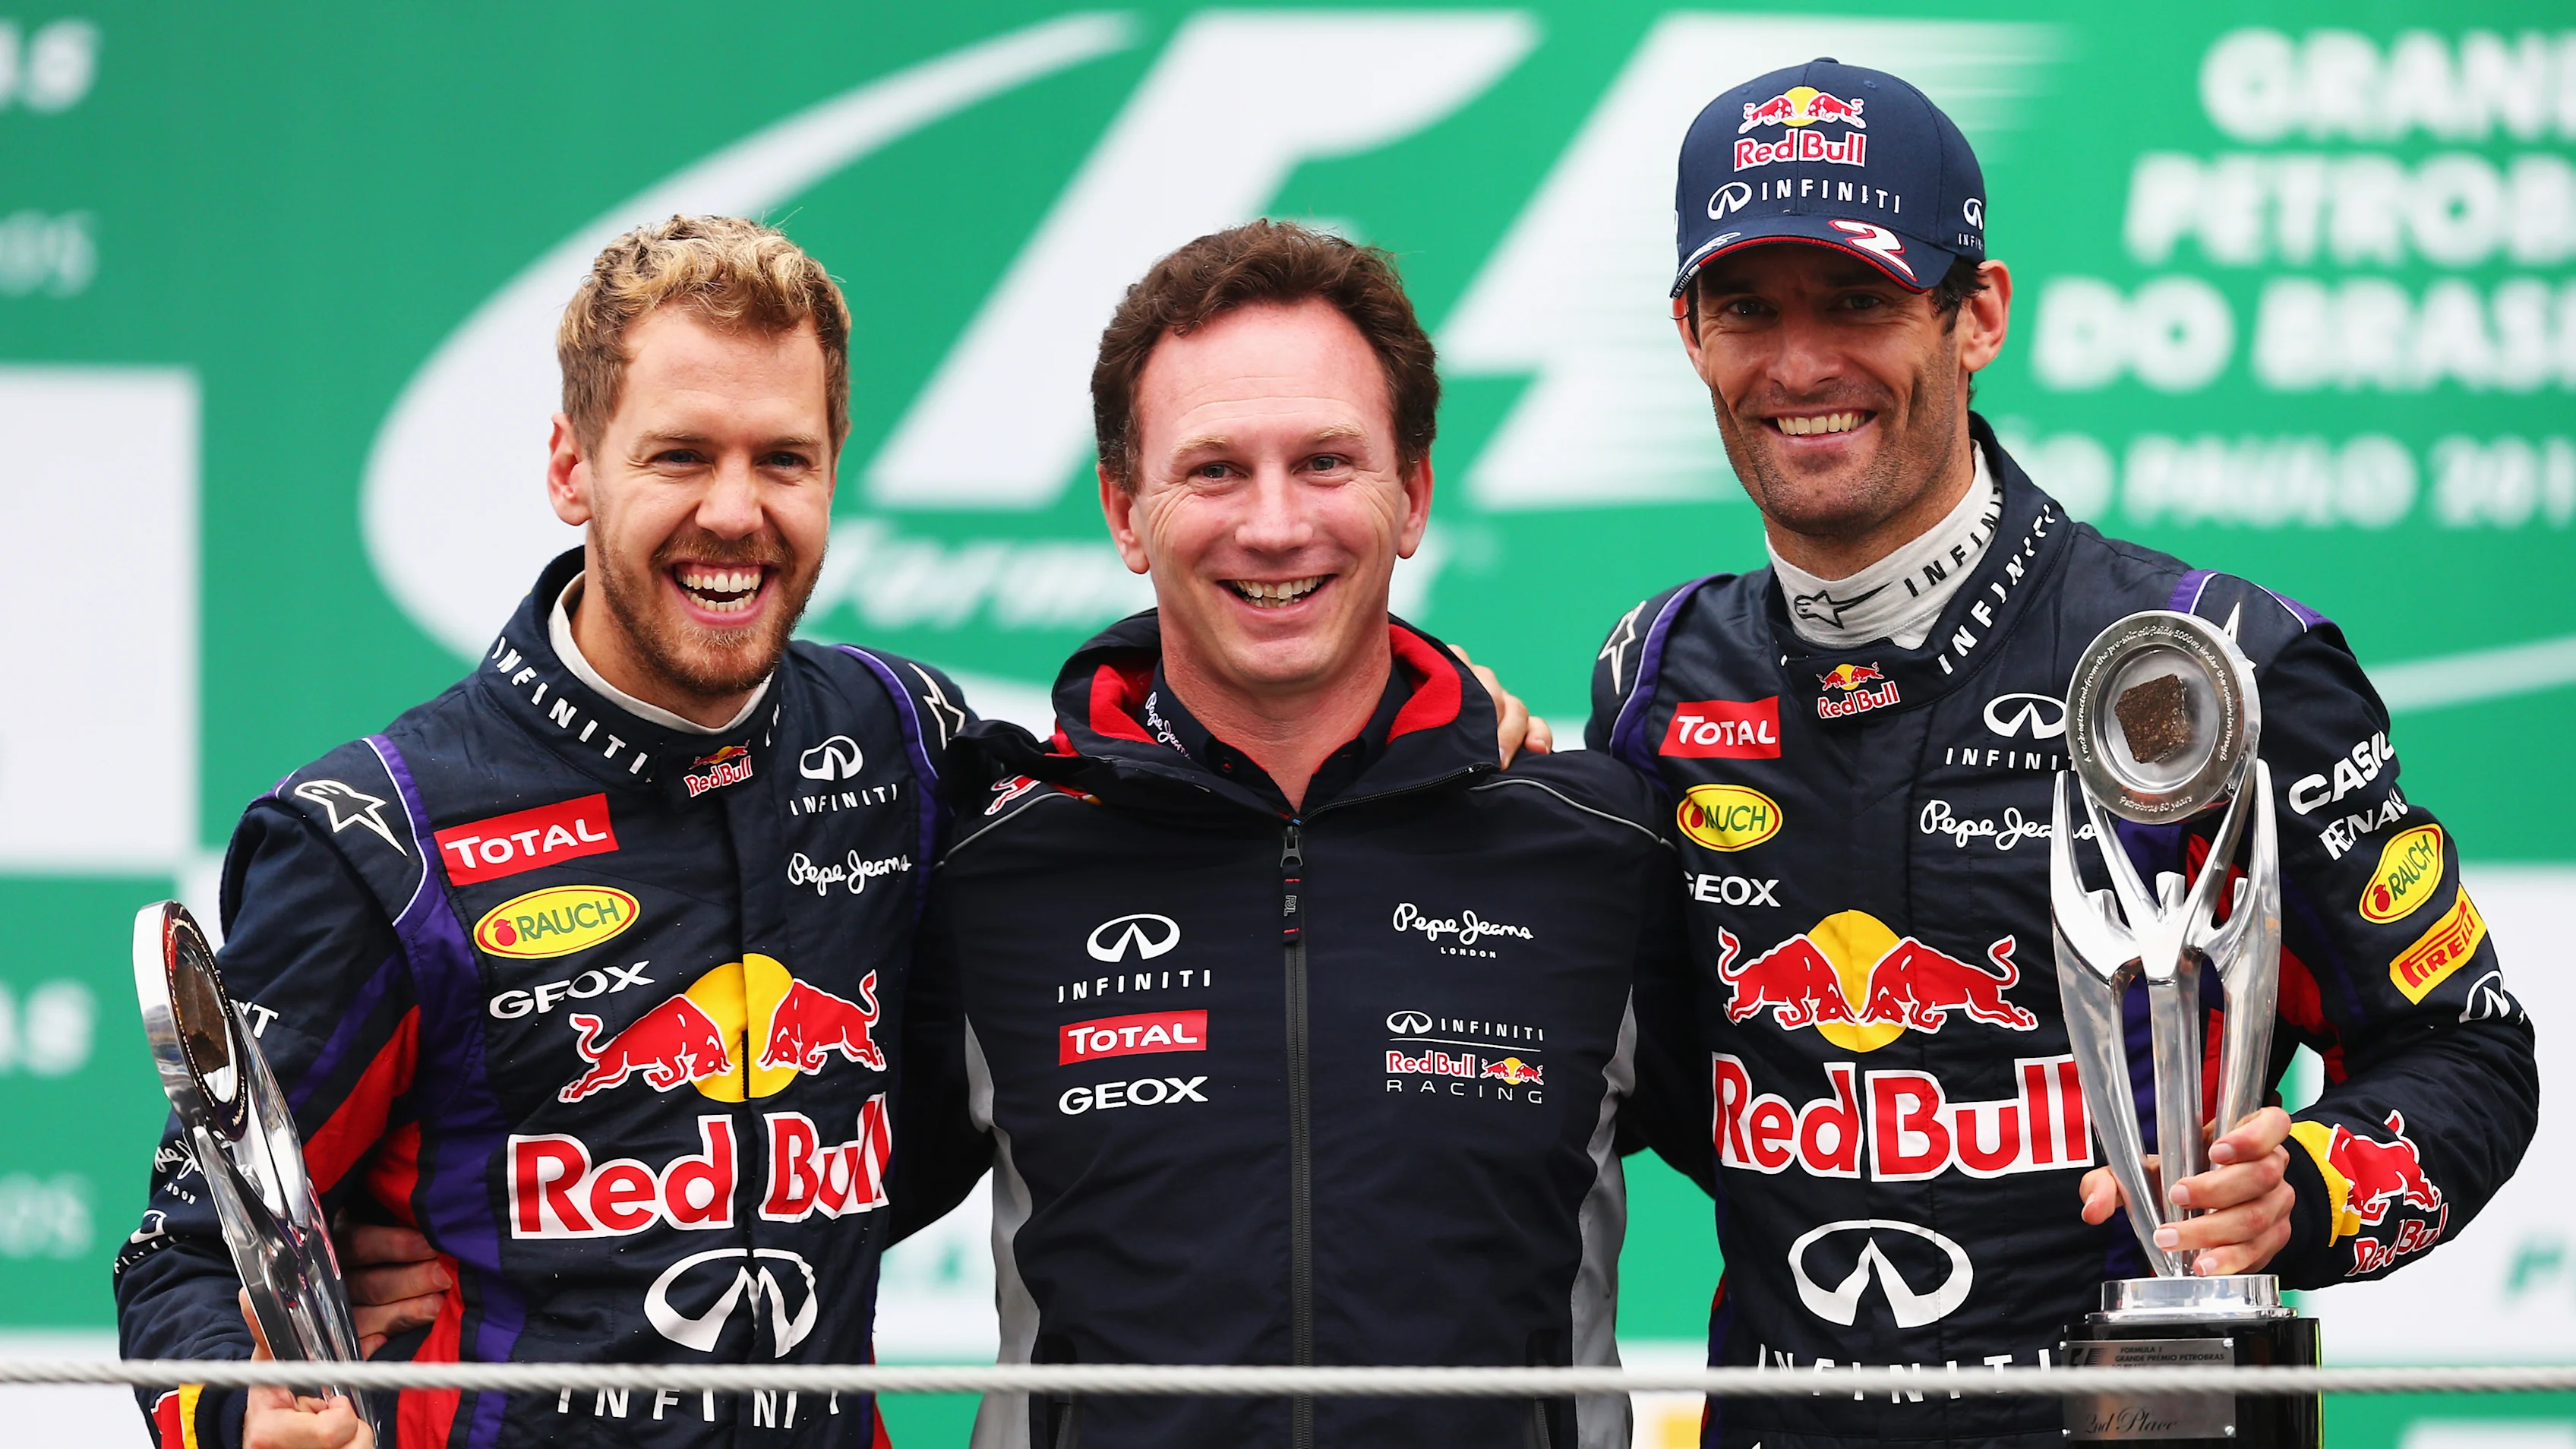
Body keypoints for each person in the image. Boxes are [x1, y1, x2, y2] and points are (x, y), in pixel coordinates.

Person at [1587, 58, 2540, 1448]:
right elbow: (1649, 1081)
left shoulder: (2212, 659)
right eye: (1747, 309)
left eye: (1858, 301)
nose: (1799, 365)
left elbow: (2470, 1050)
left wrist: (2313, 1189)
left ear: (1977, 314)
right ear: (1689, 332)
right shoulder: (1656, 674)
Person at [115, 216, 976, 1449]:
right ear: (573, 467)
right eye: (678, 456)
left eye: (782, 460)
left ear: (835, 463)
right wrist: (232, 1413)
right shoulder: (378, 834)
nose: (734, 513)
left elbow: (951, 1129)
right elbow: (185, 1250)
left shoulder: (909, 738)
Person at [895, 219, 1700, 1449]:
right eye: (1213, 470)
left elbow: (1832, 1150)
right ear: (1125, 511)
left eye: (1327, 462)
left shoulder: (1599, 851)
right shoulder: (987, 866)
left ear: (1413, 494)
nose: (1274, 528)